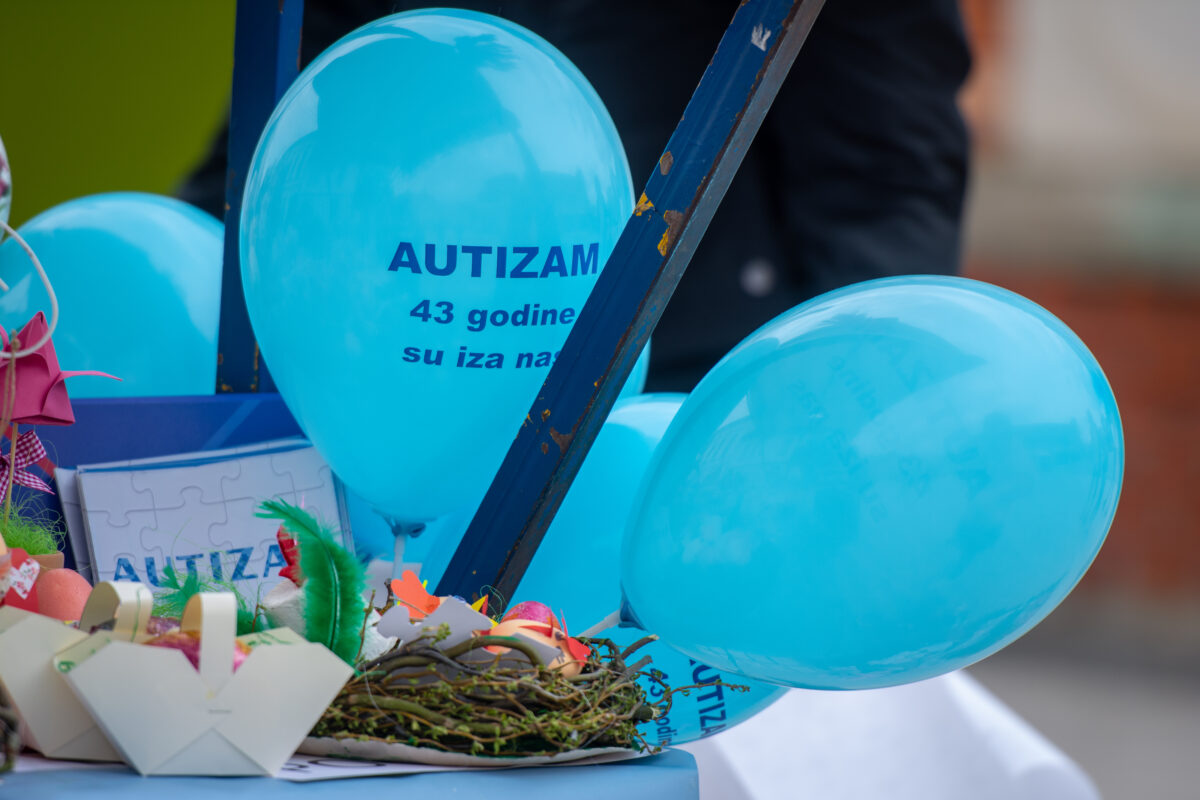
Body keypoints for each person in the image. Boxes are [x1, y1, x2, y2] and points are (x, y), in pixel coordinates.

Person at [180, 0, 970, 392]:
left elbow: (885, 173)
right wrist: (174, 289)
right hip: (399, 374)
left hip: (690, 391)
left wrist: (846, 391)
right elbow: (289, 129)